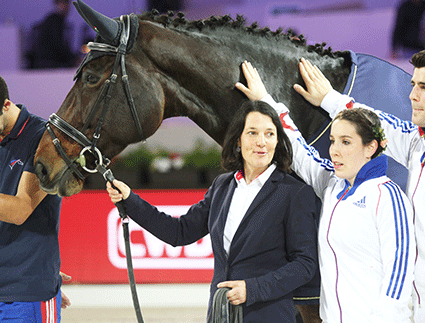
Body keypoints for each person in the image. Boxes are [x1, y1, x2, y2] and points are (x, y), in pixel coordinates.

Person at [291, 49, 425, 322]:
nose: (413, 95)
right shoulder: (418, 145)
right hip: (423, 308)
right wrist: (330, 99)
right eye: (413, 85)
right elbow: (378, 124)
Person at [107, 100, 320, 322]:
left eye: (269, 134)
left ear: (278, 140)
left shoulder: (294, 193)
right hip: (221, 315)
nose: (261, 142)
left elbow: (305, 264)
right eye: (253, 133)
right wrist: (131, 201)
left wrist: (253, 289)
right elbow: (179, 232)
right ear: (238, 140)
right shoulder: (222, 186)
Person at [234, 61, 415, 322]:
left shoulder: (388, 196)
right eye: (332, 141)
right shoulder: (333, 186)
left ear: (370, 147)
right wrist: (265, 101)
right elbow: (298, 150)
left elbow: (399, 273)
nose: (335, 150)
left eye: (346, 142)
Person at [0, 75, 69, 322]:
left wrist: (42, 276)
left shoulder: (45, 138)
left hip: (25, 293)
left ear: (6, 105)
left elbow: (20, 209)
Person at [32, 0, 77, 69]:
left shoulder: (54, 21)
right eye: (63, 4)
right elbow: (58, 44)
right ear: (57, 5)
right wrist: (72, 59)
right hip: (50, 64)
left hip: (48, 62)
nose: (67, 8)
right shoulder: (54, 22)